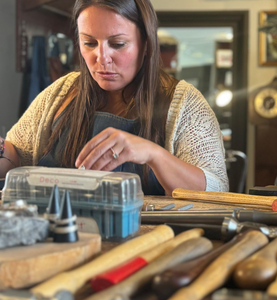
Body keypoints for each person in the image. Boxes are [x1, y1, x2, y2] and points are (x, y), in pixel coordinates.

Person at [0, 0, 228, 195]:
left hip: (148, 242)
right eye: (89, 43)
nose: (102, 58)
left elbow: (216, 190)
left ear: (146, 44)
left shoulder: (184, 103)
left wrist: (153, 154)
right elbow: (18, 157)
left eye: (117, 44)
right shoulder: (61, 92)